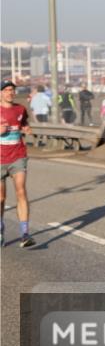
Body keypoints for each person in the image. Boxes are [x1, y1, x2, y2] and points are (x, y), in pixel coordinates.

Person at [1, 80, 36, 247]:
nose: (10, 92)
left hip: (18, 156)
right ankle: (0, 227)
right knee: (1, 198)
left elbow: (23, 124)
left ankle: (24, 234)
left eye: (12, 90)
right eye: (6, 90)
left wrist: (26, 129)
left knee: (21, 191)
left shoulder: (20, 109)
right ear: (0, 93)